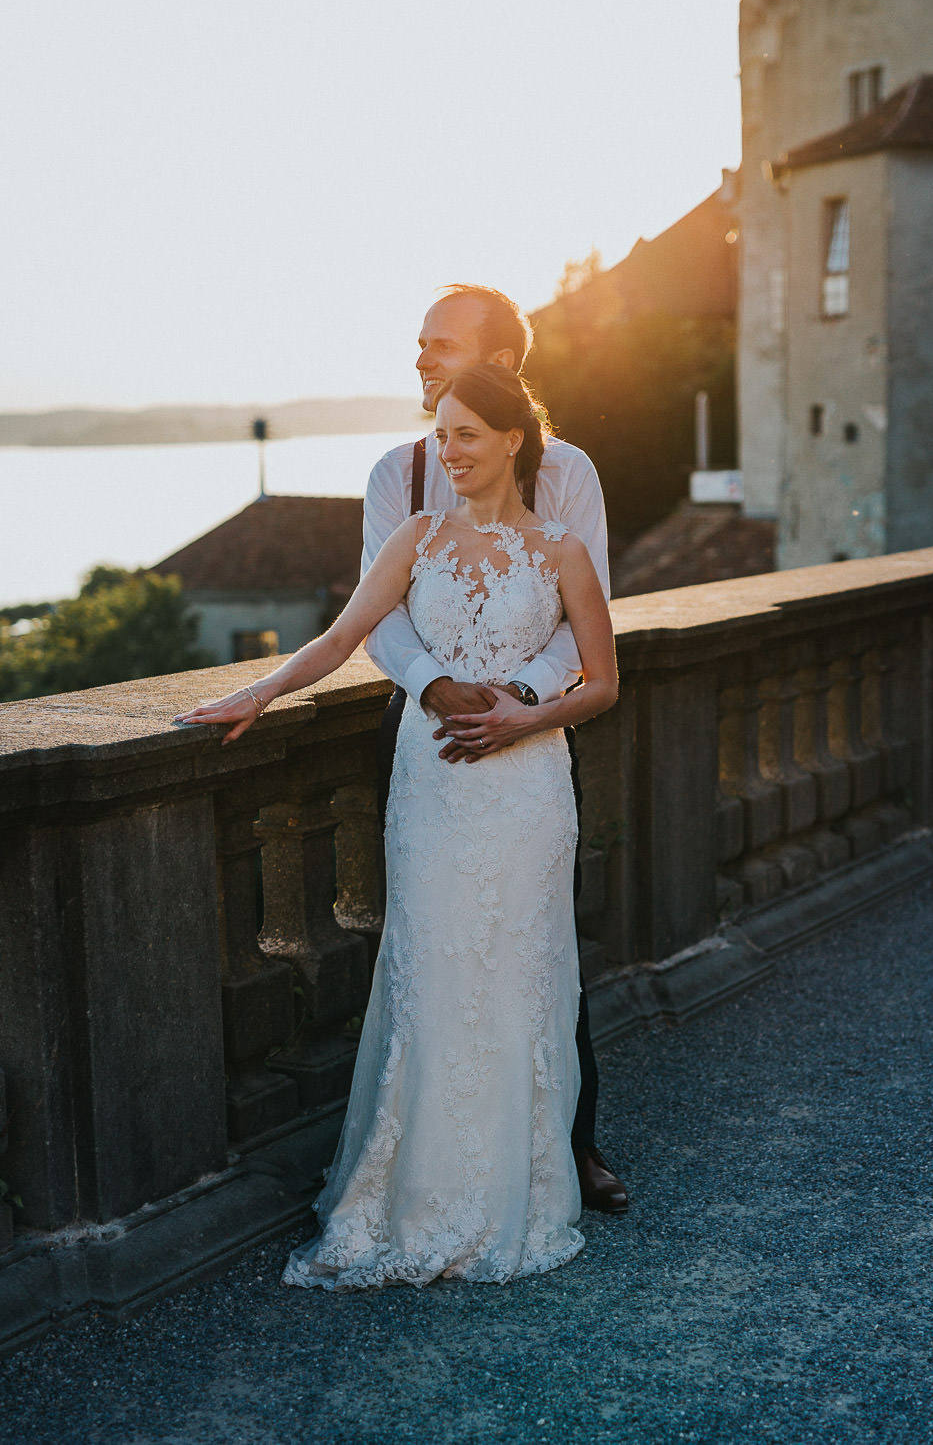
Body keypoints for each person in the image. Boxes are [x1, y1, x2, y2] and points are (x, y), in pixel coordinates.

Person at [176, 364, 618, 1289]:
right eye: (440, 433)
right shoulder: (417, 537)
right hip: (435, 788)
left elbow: (603, 684)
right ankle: (411, 1190)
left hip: (528, 787)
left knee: (519, 975)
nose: (446, 451)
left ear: (511, 439)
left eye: (465, 435)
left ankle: (520, 1193)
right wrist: (256, 692)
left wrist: (521, 718)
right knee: (434, 969)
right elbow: (341, 640)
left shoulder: (565, 550)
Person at [364, 284, 628, 1215]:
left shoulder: (573, 475)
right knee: (435, 949)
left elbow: (581, 621)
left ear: (502, 366)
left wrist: (517, 699)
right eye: (421, 344)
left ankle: (571, 1144)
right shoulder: (397, 475)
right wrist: (435, 683)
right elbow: (377, 618)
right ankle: (432, 1156)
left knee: (536, 943)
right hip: (432, 745)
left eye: (441, 345)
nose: (424, 359)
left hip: (531, 740)